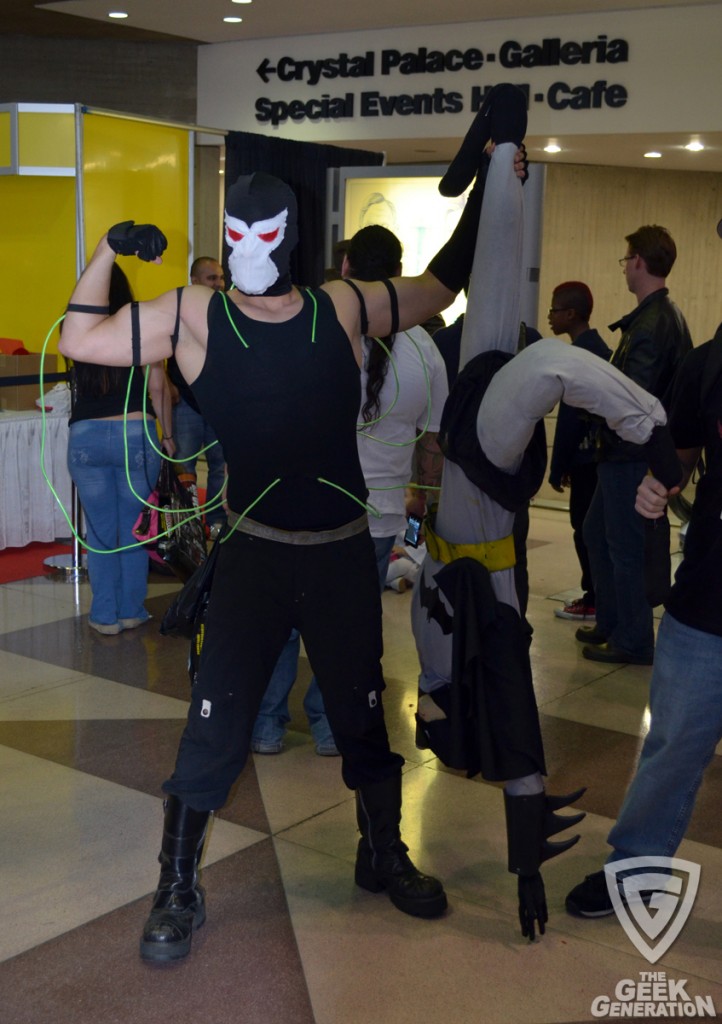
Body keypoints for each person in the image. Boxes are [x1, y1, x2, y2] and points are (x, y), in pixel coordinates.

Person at [59, 118, 529, 961]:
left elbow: (439, 285)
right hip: (254, 556)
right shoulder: (195, 317)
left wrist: (493, 179)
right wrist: (105, 251)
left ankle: (382, 852)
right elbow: (80, 337)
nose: (248, 247)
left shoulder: (341, 306)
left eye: (261, 232)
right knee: (213, 725)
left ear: (292, 237)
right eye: (235, 231)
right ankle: (176, 887)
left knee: (361, 715)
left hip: (344, 551)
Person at [251, 224, 449, 756]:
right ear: (398, 277)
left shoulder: (314, 328)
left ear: (345, 271)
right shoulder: (426, 351)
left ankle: (267, 724)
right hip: (380, 518)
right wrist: (421, 503)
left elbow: (279, 418)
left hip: (304, 507)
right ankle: (329, 725)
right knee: (347, 629)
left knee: (285, 621)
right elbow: (431, 447)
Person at [565, 314, 721, 918]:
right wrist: (660, 483)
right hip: (709, 590)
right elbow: (679, 452)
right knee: (673, 743)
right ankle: (635, 867)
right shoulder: (708, 361)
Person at [578, 225, 692, 665]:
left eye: (626, 260)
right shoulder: (661, 315)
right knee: (596, 533)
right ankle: (612, 621)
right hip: (629, 455)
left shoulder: (650, 323)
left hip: (631, 456)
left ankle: (634, 639)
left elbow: (633, 398)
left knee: (624, 548)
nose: (624, 268)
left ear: (639, 262)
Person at [67, 264, 175, 635]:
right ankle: (131, 610)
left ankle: (103, 615)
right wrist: (169, 436)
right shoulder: (141, 327)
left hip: (86, 436)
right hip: (135, 433)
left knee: (99, 533)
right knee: (133, 529)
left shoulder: (73, 324)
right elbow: (158, 387)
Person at [547, 282, 612, 621]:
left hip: (588, 461)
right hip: (596, 459)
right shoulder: (599, 349)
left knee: (584, 529)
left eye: (554, 309)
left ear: (571, 314)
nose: (549, 315)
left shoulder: (578, 356)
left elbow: (570, 420)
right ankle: (598, 595)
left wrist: (557, 468)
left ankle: (593, 597)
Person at [165, 256, 227, 539]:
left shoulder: (229, 312)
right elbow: (158, 354)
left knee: (218, 468)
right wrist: (167, 384)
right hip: (186, 404)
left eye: (221, 278)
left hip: (219, 404)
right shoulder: (177, 312)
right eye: (211, 278)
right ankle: (187, 527)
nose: (219, 284)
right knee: (185, 470)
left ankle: (214, 520)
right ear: (194, 280)